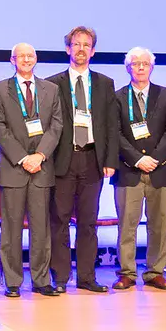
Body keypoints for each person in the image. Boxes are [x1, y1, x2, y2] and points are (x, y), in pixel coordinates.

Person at [0, 43, 62, 297]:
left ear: (36, 59)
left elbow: (56, 126)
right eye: (21, 56)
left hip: (42, 168)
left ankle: (41, 280)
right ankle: (13, 281)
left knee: (41, 229)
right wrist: (23, 158)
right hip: (13, 169)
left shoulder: (51, 90)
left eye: (31, 56)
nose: (27, 59)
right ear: (12, 60)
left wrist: (39, 155)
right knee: (11, 229)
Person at [47, 26, 116, 292]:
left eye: (86, 45)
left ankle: (87, 277)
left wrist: (109, 159)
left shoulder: (104, 83)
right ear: (68, 49)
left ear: (93, 51)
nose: (81, 49)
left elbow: (110, 125)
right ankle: (61, 278)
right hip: (63, 160)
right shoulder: (53, 83)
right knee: (60, 220)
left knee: (89, 221)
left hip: (92, 160)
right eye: (76, 44)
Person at [108, 47, 166, 291]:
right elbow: (114, 133)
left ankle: (155, 272)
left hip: (162, 170)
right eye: (135, 64)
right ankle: (127, 272)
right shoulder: (116, 97)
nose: (140, 67)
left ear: (151, 67)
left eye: (145, 64)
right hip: (129, 170)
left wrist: (155, 159)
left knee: (159, 225)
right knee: (127, 225)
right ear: (128, 68)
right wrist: (138, 159)